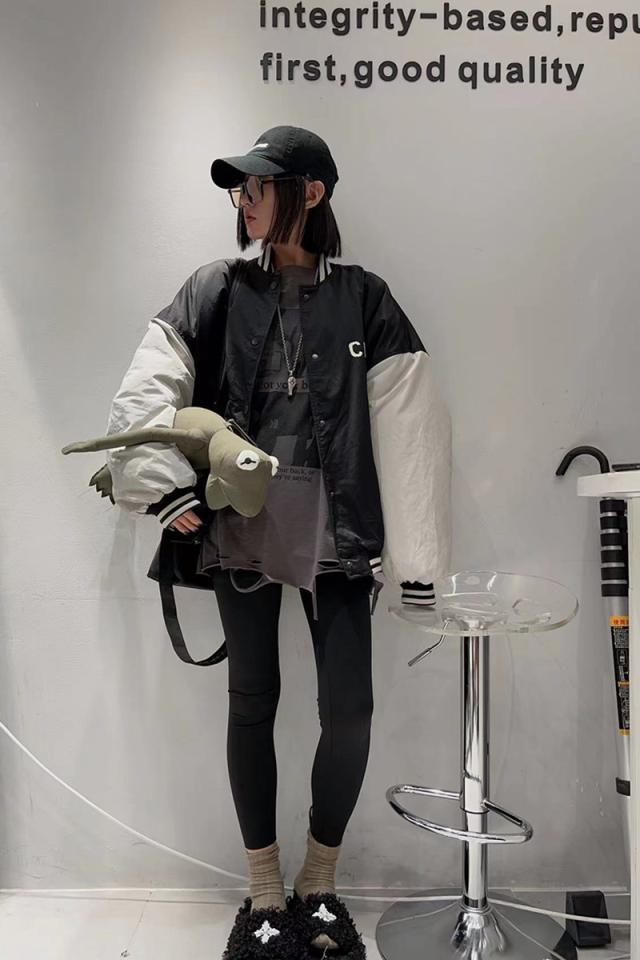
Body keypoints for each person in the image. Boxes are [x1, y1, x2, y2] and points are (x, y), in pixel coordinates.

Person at [104, 125, 451, 958]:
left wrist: (419, 560)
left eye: (258, 185)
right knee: (251, 701)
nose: (244, 200)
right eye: (240, 188)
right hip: (244, 523)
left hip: (339, 527)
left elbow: (412, 423)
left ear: (312, 192)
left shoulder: (365, 297)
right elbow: (149, 383)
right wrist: (163, 487)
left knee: (350, 710)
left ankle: (319, 883)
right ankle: (263, 891)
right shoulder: (215, 287)